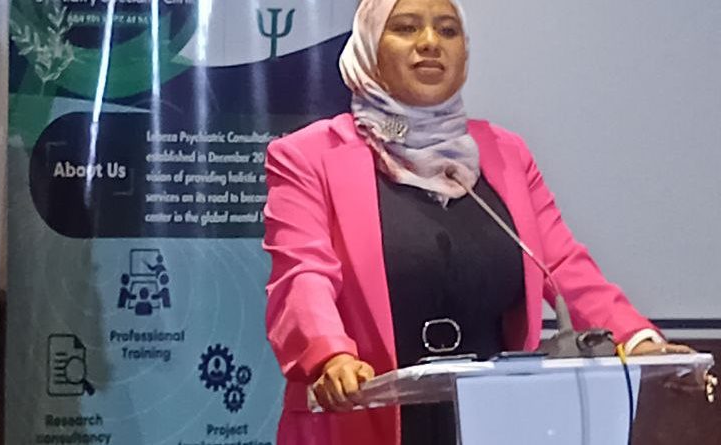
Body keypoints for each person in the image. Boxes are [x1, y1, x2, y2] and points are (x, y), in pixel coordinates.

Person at [261, 1, 693, 444]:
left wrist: (637, 338)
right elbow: (303, 274)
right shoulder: (309, 157)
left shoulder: (506, 153)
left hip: (492, 419)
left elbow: (562, 264)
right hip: (359, 417)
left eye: (447, 30)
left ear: (465, 52)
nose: (430, 43)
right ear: (368, 47)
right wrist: (329, 356)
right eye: (406, 28)